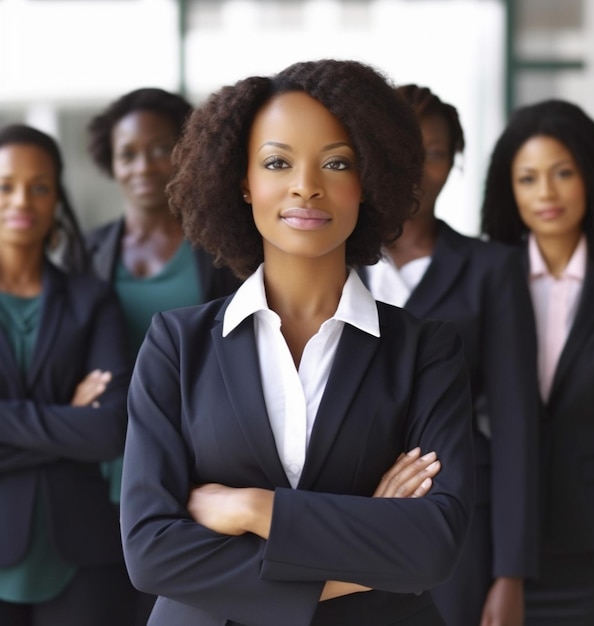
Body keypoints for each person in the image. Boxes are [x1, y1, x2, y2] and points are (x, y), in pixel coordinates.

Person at [120, 59, 475, 626]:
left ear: (369, 181)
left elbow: (434, 545)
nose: (306, 184)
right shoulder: (176, 344)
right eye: (277, 162)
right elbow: (151, 551)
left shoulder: (424, 350)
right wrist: (364, 547)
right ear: (243, 182)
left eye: (336, 162)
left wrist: (252, 508)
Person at [359, 84, 539, 626]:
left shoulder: (491, 269)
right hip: (347, 502)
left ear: (454, 161)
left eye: (433, 153)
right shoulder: (333, 263)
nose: (414, 169)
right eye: (399, 151)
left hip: (458, 511)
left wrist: (510, 574)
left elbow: (515, 425)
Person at [86, 87, 241, 623]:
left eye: (160, 147)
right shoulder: (88, 253)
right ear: (112, 162)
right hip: (105, 464)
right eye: (129, 153)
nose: (144, 165)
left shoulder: (220, 250)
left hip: (198, 460)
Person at [481, 98, 594, 625]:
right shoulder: (484, 278)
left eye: (562, 173)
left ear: (588, 175)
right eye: (528, 178)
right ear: (508, 188)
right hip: (494, 540)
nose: (546, 193)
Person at [0, 124, 134, 625]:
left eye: (40, 185)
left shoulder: (90, 299)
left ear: (57, 196)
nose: (23, 200)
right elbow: (86, 429)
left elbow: (110, 428)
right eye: (6, 185)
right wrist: (65, 420)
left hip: (82, 554)